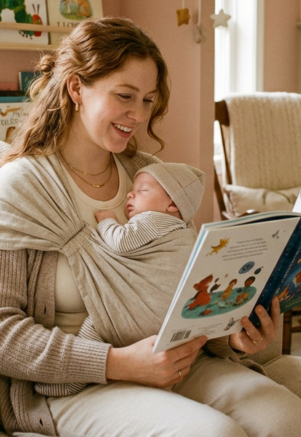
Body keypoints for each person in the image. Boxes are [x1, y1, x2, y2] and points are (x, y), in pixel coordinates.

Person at [0, 16, 301, 437]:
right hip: (75, 385)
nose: (138, 115)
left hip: (176, 359)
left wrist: (234, 337)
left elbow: (183, 293)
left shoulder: (150, 176)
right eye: (125, 96)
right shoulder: (21, 187)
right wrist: (117, 363)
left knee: (292, 424)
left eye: (149, 101)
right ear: (76, 88)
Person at [35, 162, 206, 397]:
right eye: (133, 189)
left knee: (98, 320)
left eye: (143, 190)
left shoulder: (153, 220)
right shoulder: (186, 233)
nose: (131, 193)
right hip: (169, 325)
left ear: (173, 204)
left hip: (141, 316)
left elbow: (122, 242)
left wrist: (107, 221)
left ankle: (70, 382)